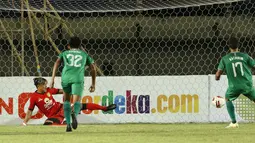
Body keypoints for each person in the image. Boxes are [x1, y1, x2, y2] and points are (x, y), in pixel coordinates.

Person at [23, 77, 116, 126]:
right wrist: (24, 122)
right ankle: (68, 123)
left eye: (45, 85)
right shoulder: (34, 97)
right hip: (54, 115)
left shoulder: (48, 90)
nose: (45, 87)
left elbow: (62, 91)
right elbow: (30, 111)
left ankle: (105, 108)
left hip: (61, 108)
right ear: (38, 86)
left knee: (80, 105)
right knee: (47, 124)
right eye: (43, 85)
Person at [51, 36, 96, 132]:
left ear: (68, 46)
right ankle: (74, 115)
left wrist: (52, 79)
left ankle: (68, 124)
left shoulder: (64, 53)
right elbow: (93, 68)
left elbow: (57, 63)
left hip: (66, 78)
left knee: (66, 100)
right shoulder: (84, 54)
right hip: (77, 78)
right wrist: (93, 84)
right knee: (76, 102)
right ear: (80, 45)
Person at [215, 37, 255, 128]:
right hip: (247, 85)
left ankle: (234, 122)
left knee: (228, 99)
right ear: (238, 46)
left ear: (229, 47)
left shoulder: (225, 59)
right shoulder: (245, 56)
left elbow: (217, 75)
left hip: (234, 87)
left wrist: (217, 77)